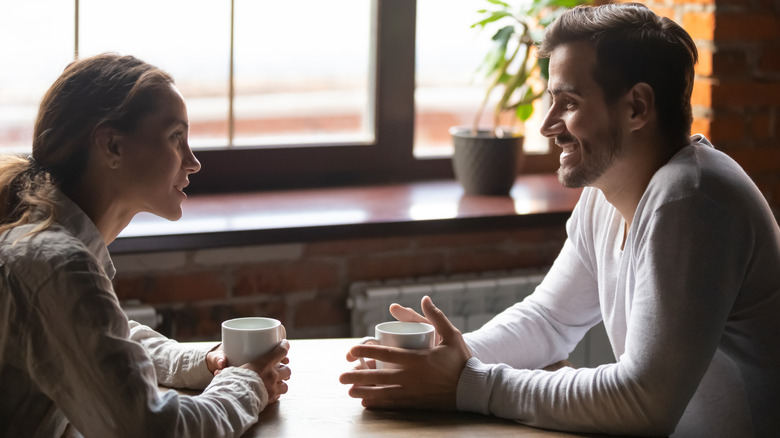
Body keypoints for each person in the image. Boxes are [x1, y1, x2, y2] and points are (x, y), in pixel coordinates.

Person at [340, 3, 780, 437]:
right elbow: (549, 319)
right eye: (552, 101)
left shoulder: (691, 198)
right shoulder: (606, 193)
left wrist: (464, 382)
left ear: (637, 108)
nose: (548, 124)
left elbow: (644, 402)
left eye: (568, 102)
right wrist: (446, 357)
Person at [0, 53, 291, 437]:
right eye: (176, 137)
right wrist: (247, 384)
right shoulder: (55, 263)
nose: (193, 162)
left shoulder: (44, 243)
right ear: (112, 147)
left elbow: (97, 340)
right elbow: (152, 429)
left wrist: (207, 363)